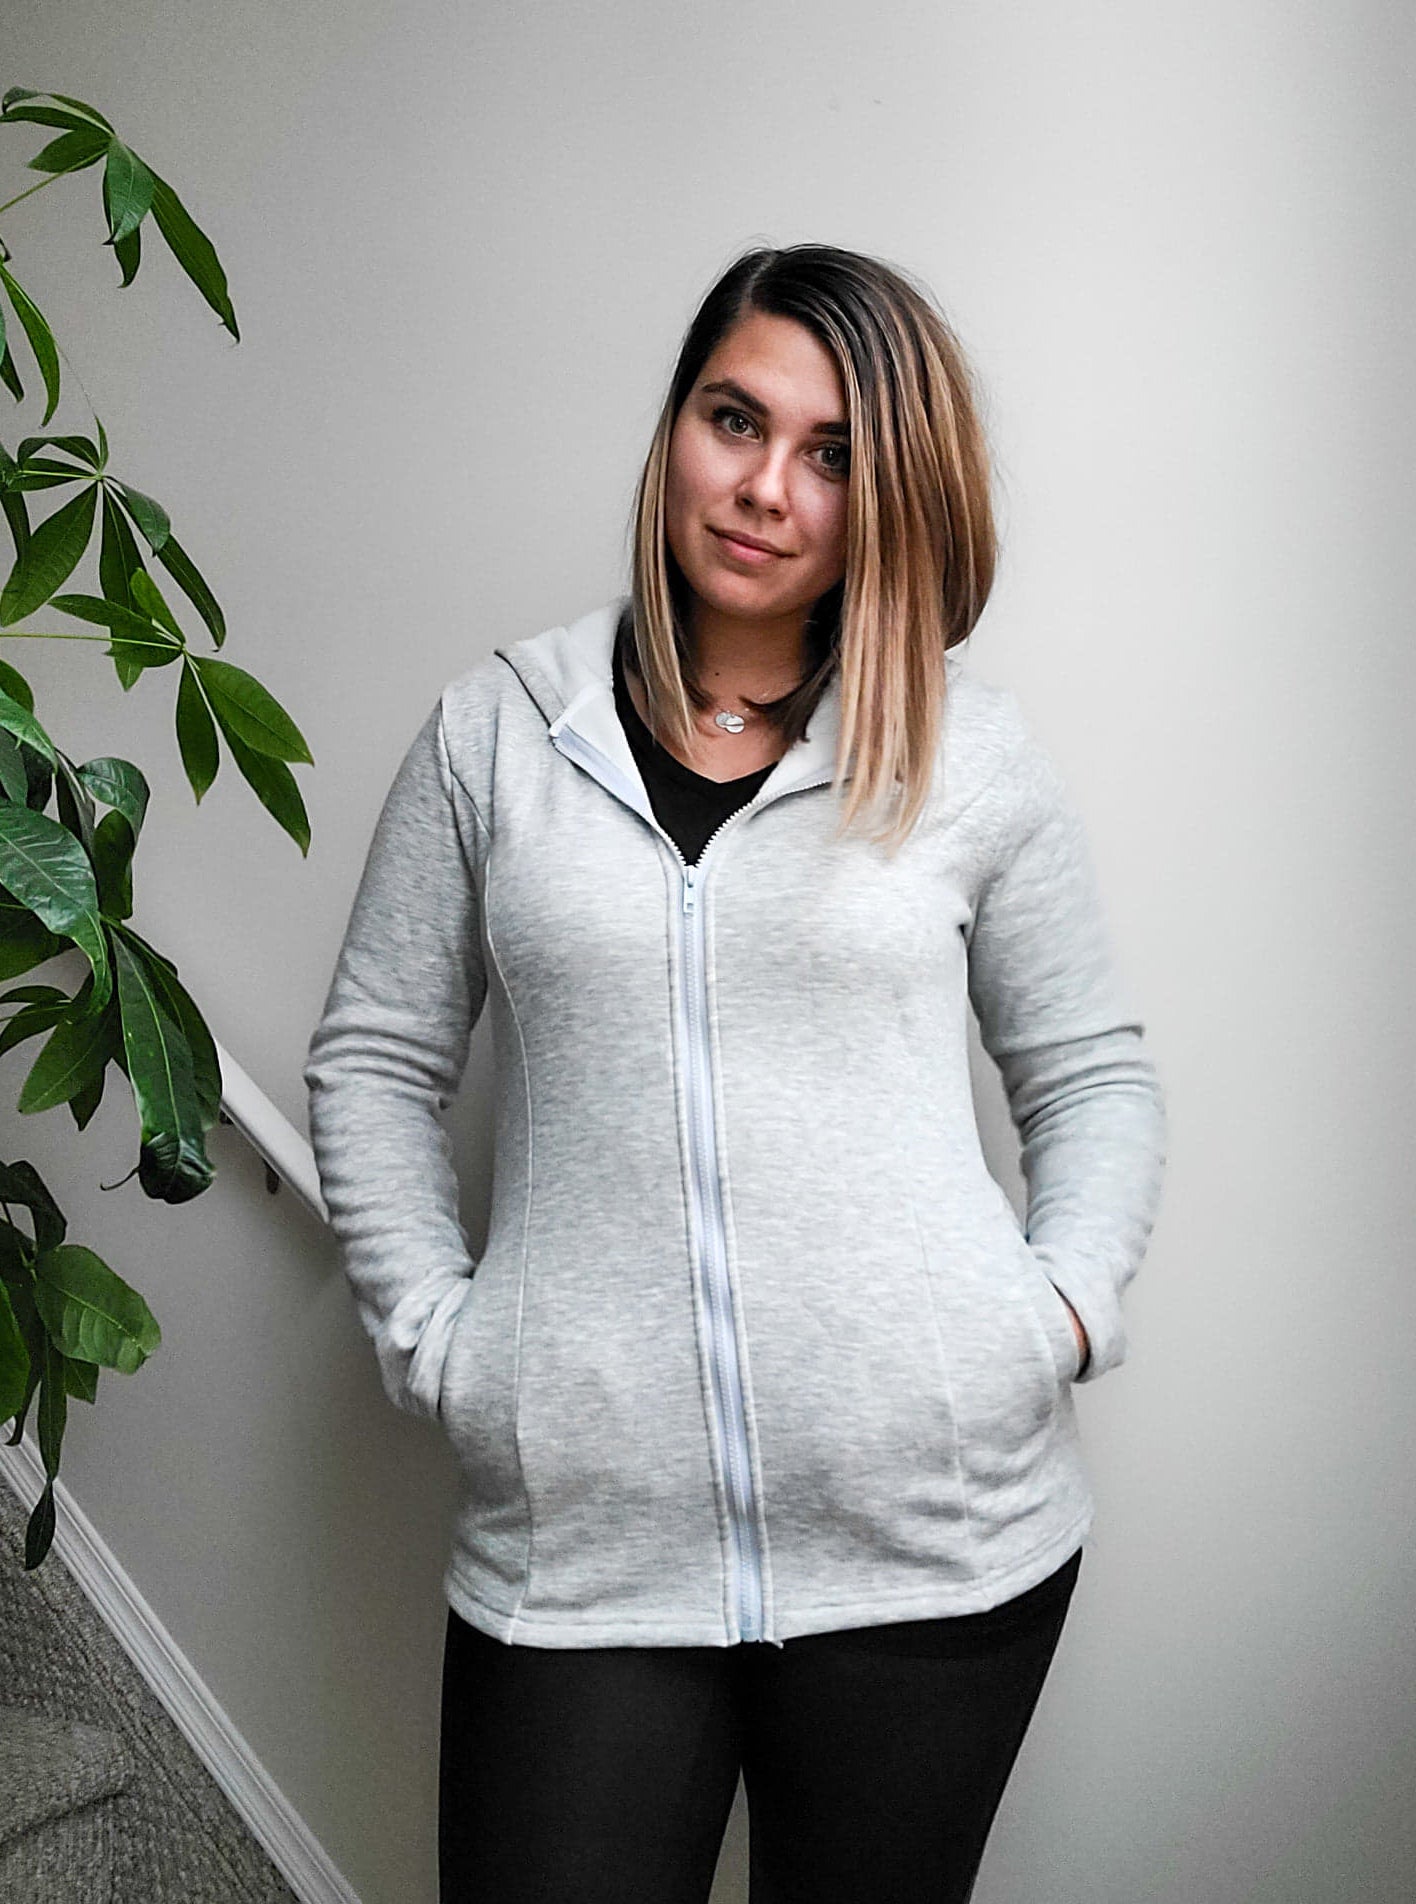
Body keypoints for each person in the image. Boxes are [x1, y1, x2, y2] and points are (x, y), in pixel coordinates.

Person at [303, 242, 1168, 1903]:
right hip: (584, 1547)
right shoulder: (498, 735)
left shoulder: (966, 752)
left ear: (893, 494)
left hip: (936, 1548)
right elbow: (376, 1059)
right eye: (734, 418)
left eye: (833, 453)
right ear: (675, 426)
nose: (768, 487)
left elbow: (1090, 1077)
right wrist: (445, 1343)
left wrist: (1052, 1317)